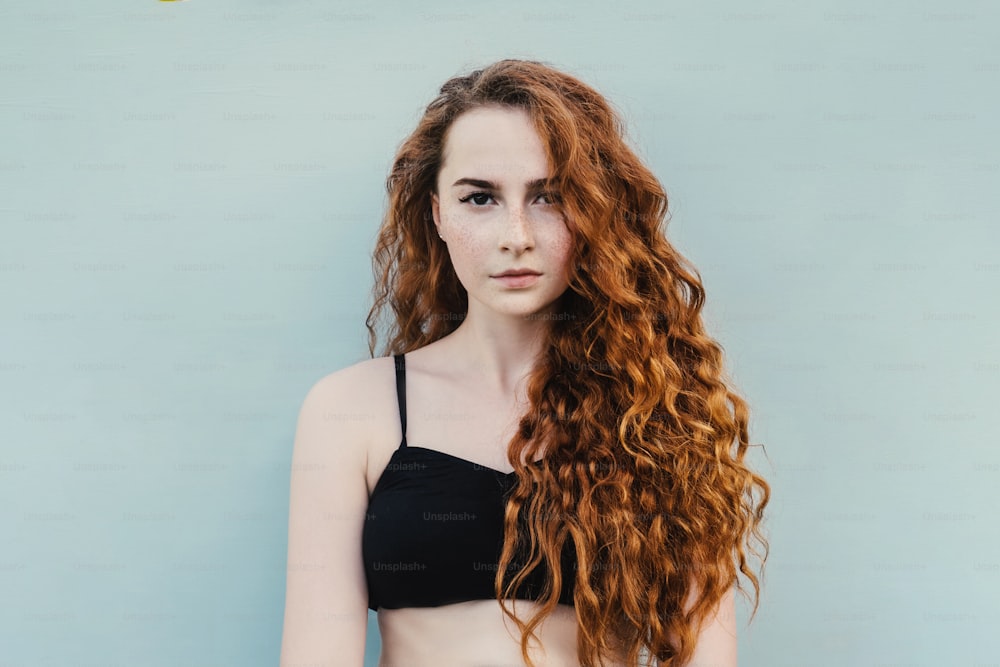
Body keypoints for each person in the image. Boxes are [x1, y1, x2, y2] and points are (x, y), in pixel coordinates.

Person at [279, 59, 770, 667]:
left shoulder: (659, 415)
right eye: (480, 198)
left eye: (549, 197)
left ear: (594, 213)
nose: (517, 235)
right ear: (437, 214)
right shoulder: (352, 408)